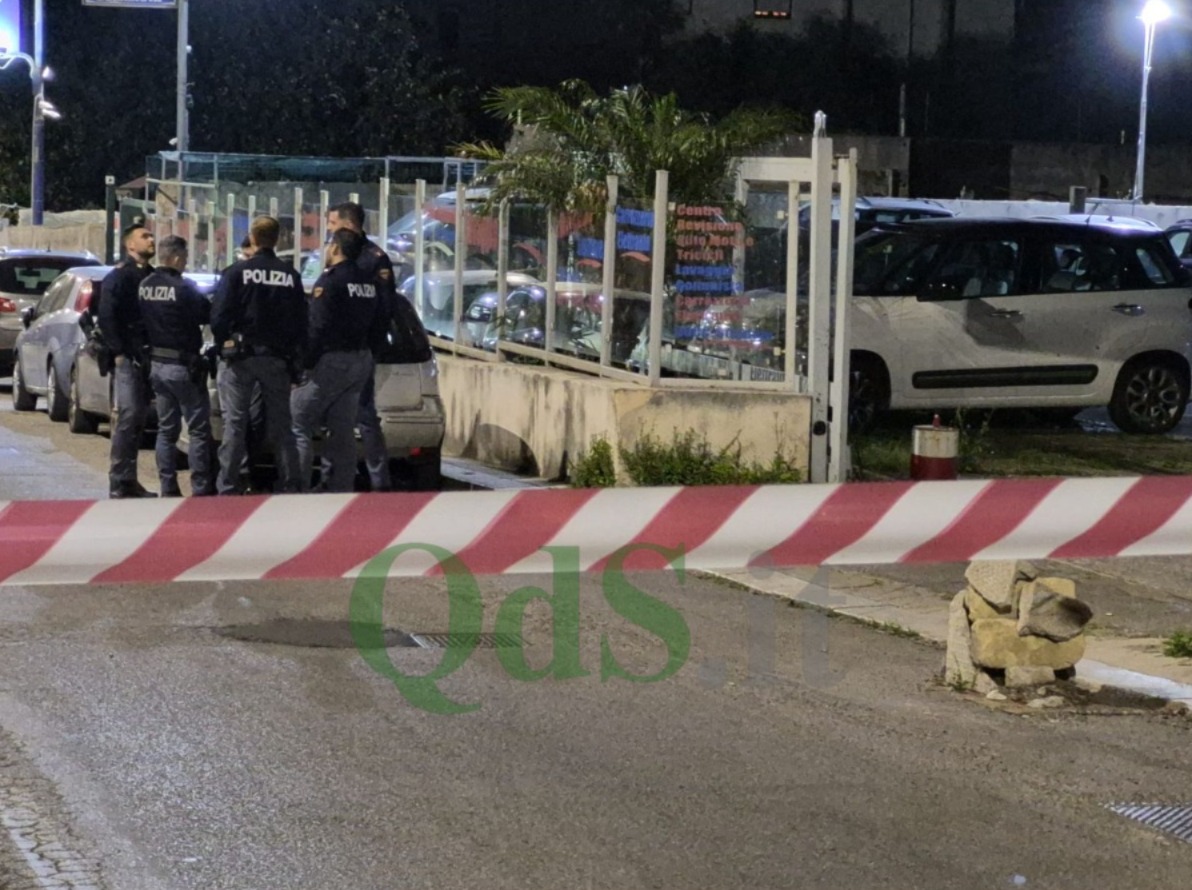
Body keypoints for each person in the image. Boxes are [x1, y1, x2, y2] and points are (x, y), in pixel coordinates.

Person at [210, 216, 308, 494]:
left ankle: (229, 486)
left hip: (240, 358)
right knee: (283, 426)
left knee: (234, 423)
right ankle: (290, 485)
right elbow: (301, 322)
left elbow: (218, 317)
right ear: (276, 240)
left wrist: (224, 344)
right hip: (277, 359)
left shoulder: (236, 273)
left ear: (252, 238)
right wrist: (295, 360)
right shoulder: (290, 275)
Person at [291, 228, 386, 493]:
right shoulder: (368, 282)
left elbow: (317, 327)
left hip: (332, 361)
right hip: (361, 360)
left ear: (335, 247)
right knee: (342, 429)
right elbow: (380, 321)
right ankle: (340, 489)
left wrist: (304, 366)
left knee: (297, 422)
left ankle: (295, 490)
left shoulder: (330, 281)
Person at [325, 201, 396, 490]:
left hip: (361, 350)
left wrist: (371, 348)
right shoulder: (335, 251)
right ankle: (333, 477)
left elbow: (384, 308)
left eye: (332, 223)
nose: (328, 228)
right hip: (335, 351)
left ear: (348, 224)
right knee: (335, 416)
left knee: (365, 416)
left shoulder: (374, 258)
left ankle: (379, 482)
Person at [137, 235, 214, 497]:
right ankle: (201, 489)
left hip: (157, 364)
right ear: (178, 257)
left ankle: (168, 486)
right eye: (185, 257)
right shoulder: (184, 287)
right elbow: (206, 313)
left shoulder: (145, 285)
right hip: (183, 366)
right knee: (198, 430)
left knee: (166, 430)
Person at [98, 223, 157, 499]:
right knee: (129, 414)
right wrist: (120, 352)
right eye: (145, 236)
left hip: (148, 355)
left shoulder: (153, 276)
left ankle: (129, 479)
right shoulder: (120, 276)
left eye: (151, 235)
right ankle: (120, 480)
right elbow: (107, 315)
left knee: (139, 419)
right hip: (128, 356)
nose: (151, 239)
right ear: (130, 245)